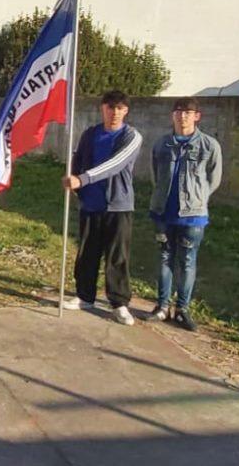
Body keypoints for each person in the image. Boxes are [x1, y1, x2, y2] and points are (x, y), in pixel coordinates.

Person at [61, 91, 143, 326]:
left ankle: (119, 303)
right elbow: (78, 159)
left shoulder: (131, 136)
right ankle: (85, 296)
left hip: (118, 206)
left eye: (119, 108)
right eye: (110, 107)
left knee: (117, 256)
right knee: (87, 253)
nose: (114, 113)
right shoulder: (90, 134)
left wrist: (83, 179)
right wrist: (77, 185)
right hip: (91, 204)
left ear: (125, 111)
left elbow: (115, 165)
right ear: (102, 109)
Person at [146, 97, 222, 331]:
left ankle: (182, 309)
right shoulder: (162, 144)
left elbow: (214, 179)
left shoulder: (209, 145)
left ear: (197, 116)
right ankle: (161, 306)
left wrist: (198, 198)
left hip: (193, 215)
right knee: (164, 258)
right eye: (178, 111)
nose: (183, 116)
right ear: (173, 115)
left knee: (187, 262)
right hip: (163, 212)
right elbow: (155, 174)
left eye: (188, 112)